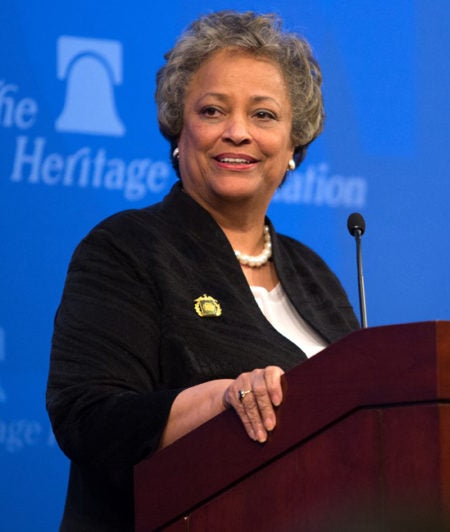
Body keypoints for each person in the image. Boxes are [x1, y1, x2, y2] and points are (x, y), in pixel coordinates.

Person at [45, 10, 359, 531]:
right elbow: (88, 418)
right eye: (213, 111)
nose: (237, 133)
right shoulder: (127, 248)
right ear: (179, 130)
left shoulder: (314, 274)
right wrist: (221, 399)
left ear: (292, 146)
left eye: (263, 115)